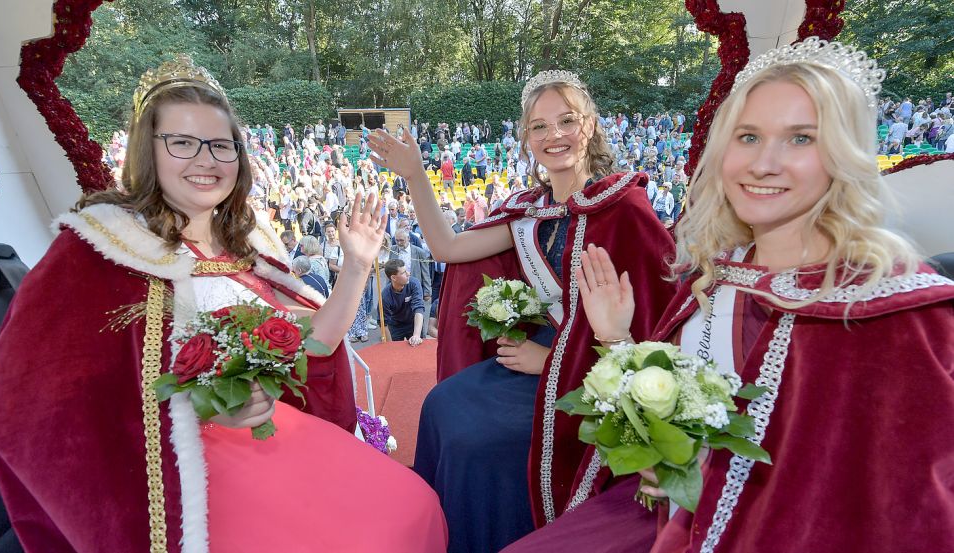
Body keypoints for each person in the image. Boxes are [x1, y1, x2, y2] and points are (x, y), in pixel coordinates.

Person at [505, 37, 954, 553]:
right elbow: (678, 418)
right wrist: (617, 337)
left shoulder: (893, 310)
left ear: (845, 152)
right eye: (747, 136)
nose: (764, 162)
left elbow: (907, 513)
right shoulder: (719, 271)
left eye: (801, 138)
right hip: (668, 509)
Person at [0, 56, 447, 552]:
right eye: (182, 142)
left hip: (274, 433)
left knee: (410, 503)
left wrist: (356, 265)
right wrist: (202, 409)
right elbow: (32, 407)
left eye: (221, 145)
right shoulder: (97, 249)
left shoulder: (252, 245)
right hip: (176, 468)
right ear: (148, 150)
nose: (205, 160)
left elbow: (316, 343)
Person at [367, 70, 676, 552]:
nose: (554, 135)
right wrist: (414, 173)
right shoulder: (528, 212)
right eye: (539, 126)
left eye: (567, 121)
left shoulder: (626, 209)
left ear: (589, 126)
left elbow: (655, 327)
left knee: (475, 439)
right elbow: (447, 246)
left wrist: (548, 362)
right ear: (526, 138)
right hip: (535, 360)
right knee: (442, 404)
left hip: (590, 374)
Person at [381, 259, 426, 345]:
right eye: (403, 273)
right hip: (395, 325)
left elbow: (419, 308)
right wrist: (390, 346)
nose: (408, 274)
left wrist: (416, 335)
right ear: (393, 278)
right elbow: (383, 323)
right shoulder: (385, 295)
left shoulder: (414, 283)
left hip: (414, 322)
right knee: (395, 352)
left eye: (407, 271)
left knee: (418, 349)